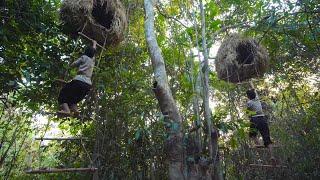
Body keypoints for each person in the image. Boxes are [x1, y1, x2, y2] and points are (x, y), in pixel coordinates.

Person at [57, 40, 97, 116]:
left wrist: (70, 66)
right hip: (87, 85)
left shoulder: (83, 57)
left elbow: (74, 64)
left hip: (79, 81)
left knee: (63, 94)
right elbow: (94, 50)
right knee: (74, 100)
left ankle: (66, 110)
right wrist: (94, 43)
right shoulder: (93, 60)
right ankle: (75, 110)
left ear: (85, 52)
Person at [246, 89, 274, 160]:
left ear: (248, 96)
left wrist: (249, 115)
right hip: (262, 119)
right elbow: (254, 90)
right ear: (255, 95)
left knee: (253, 135)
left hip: (255, 120)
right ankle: (272, 156)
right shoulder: (257, 99)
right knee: (267, 138)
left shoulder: (249, 103)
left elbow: (248, 113)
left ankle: (260, 152)